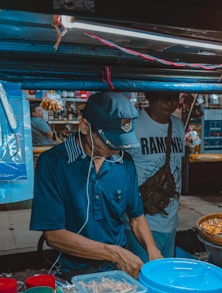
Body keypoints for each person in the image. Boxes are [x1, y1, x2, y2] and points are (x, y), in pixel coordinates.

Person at [30, 91, 163, 281]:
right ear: (85, 127)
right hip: (74, 271)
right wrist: (114, 253)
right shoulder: (53, 163)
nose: (116, 149)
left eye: (122, 143)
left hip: (118, 270)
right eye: (110, 142)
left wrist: (152, 250)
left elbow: (136, 217)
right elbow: (53, 235)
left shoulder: (124, 162)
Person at [125, 92, 185, 261]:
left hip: (170, 221)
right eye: (162, 97)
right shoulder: (133, 126)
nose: (169, 103)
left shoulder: (178, 125)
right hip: (140, 222)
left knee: (164, 277)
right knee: (144, 277)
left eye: (173, 98)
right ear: (149, 97)